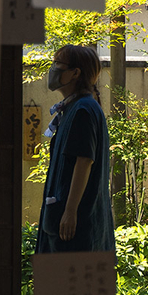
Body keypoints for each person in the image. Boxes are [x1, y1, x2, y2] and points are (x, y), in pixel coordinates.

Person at [35, 44, 115, 254]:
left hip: (73, 227)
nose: (52, 69)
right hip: (68, 222)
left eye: (58, 64)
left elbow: (84, 161)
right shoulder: (75, 107)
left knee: (68, 284)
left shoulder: (83, 110)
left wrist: (70, 211)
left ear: (75, 73)